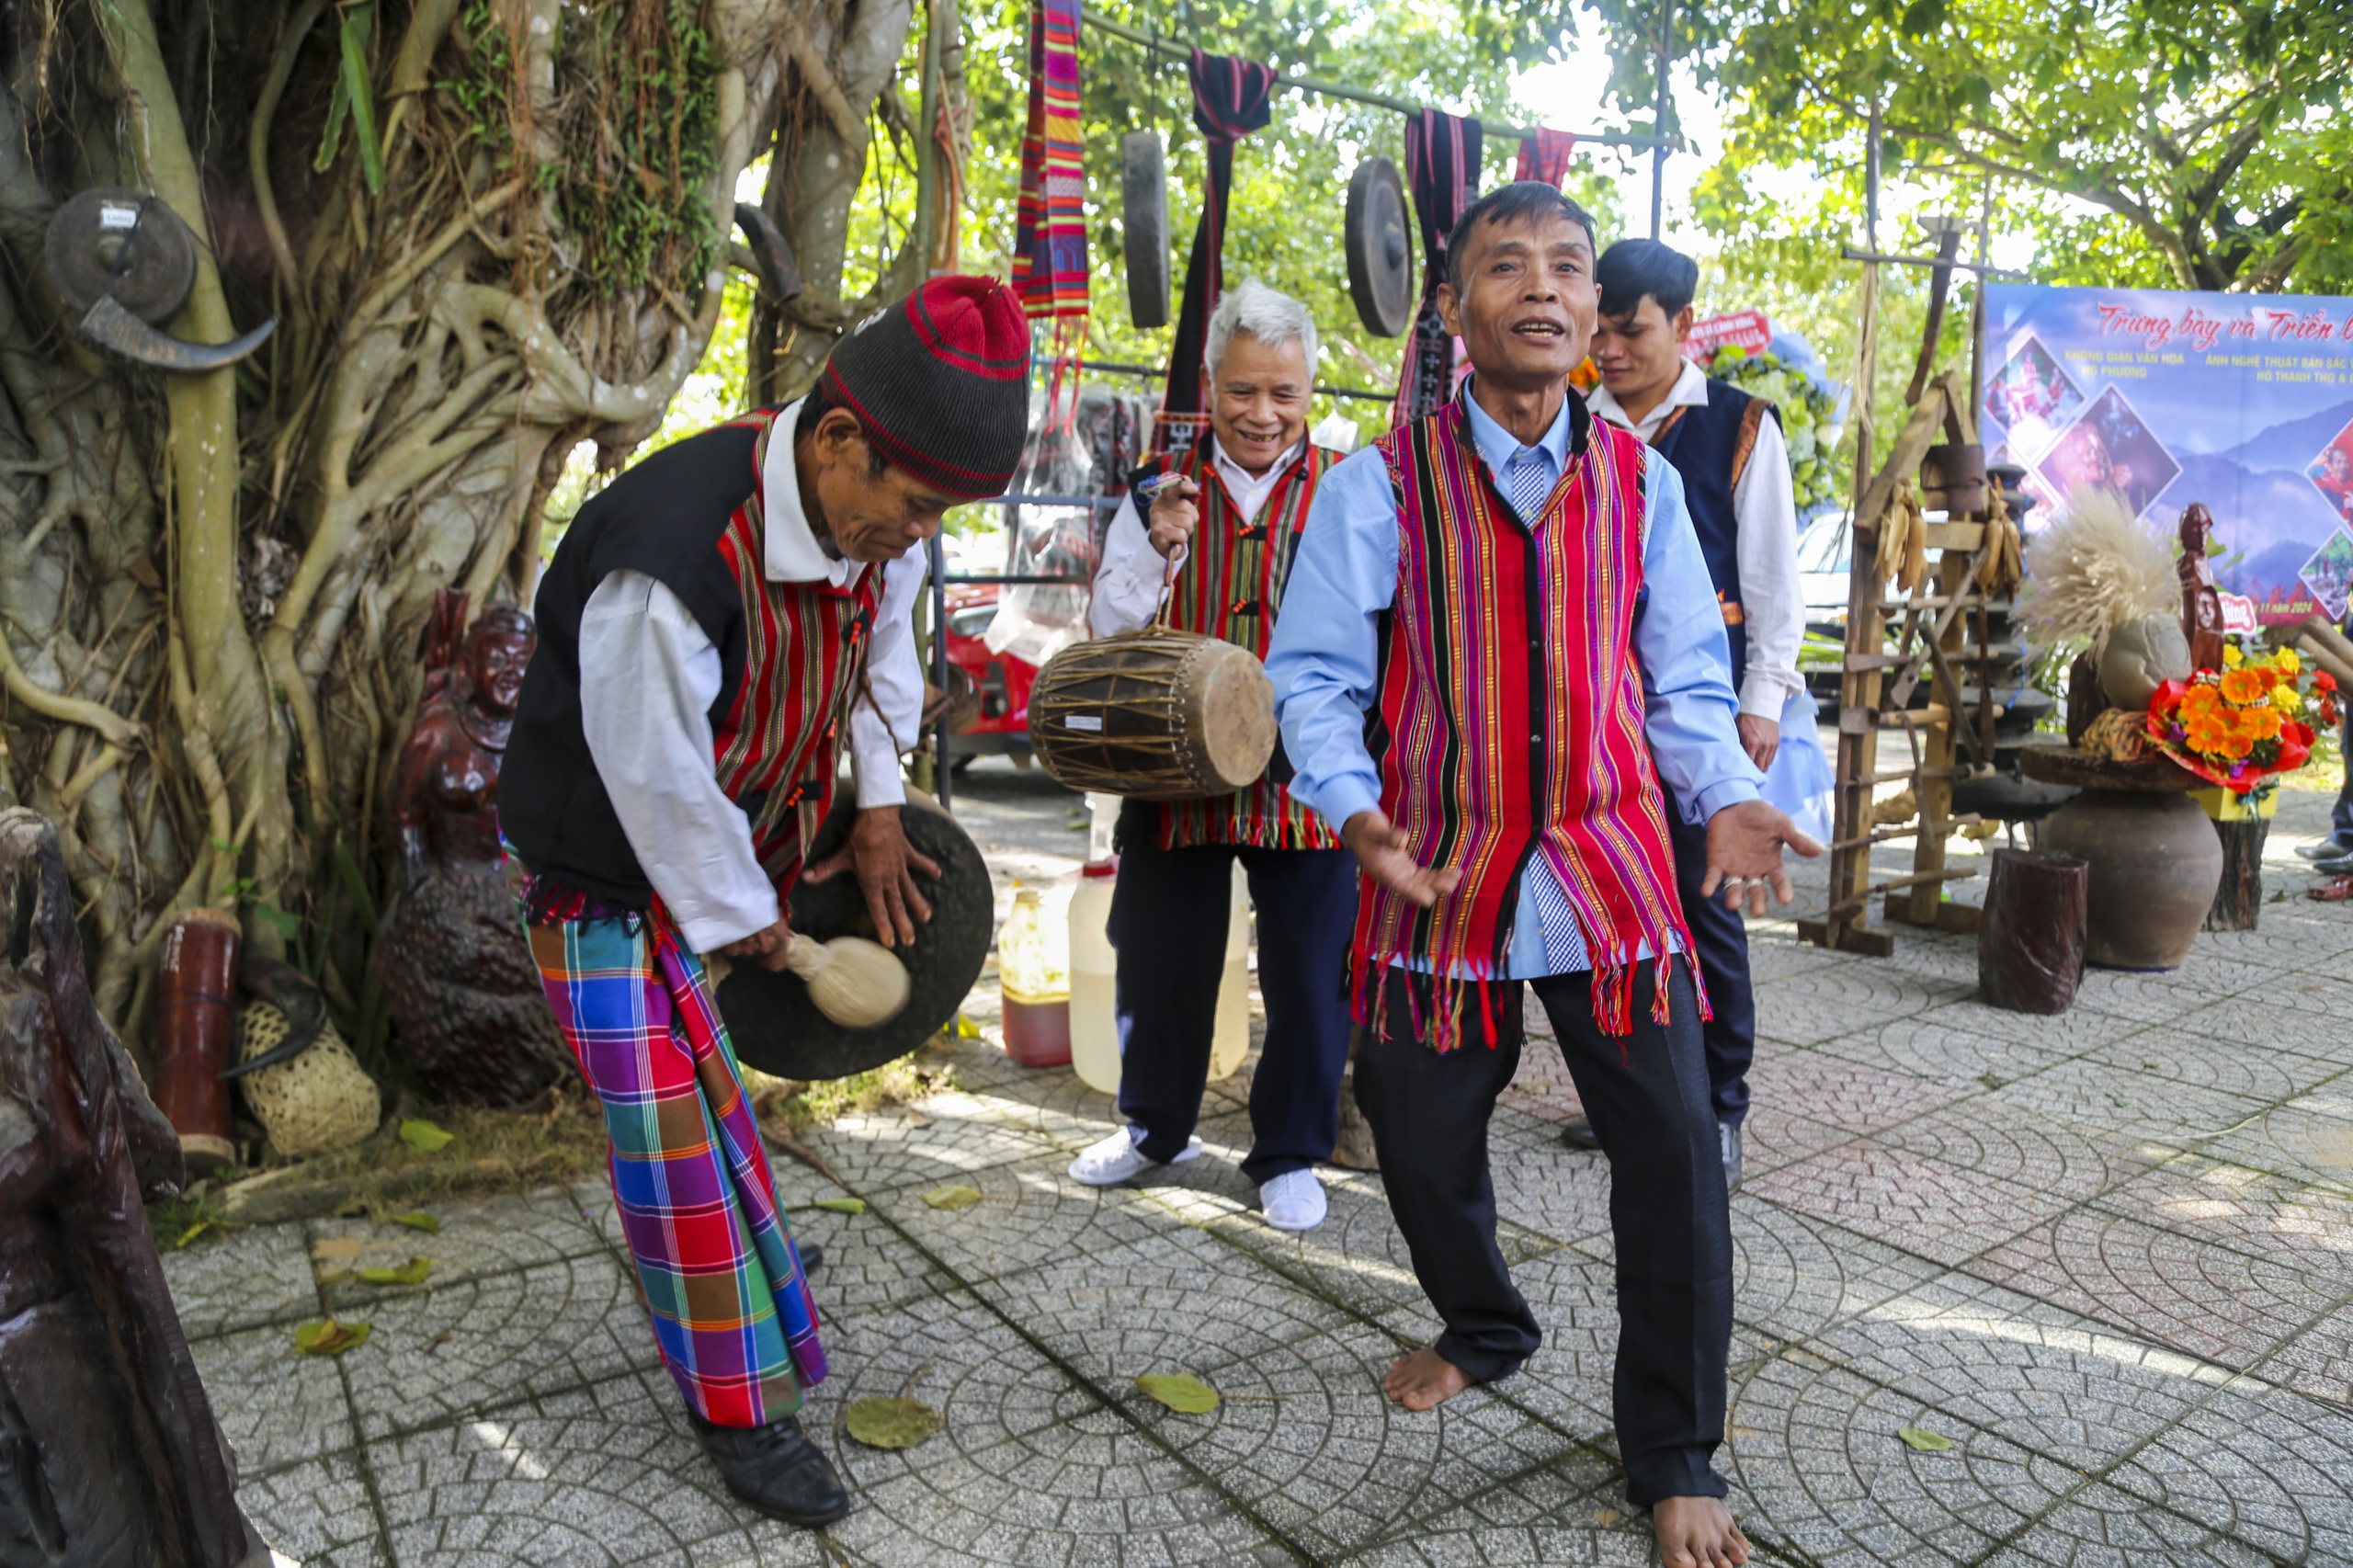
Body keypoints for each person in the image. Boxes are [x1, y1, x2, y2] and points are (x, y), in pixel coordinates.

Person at [1266, 181, 1820, 1568]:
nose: (1541, 287)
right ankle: (1484, 1324)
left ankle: (1675, 1446)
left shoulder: (1642, 481)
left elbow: (1688, 681)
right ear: (1455, 310)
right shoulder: (1375, 483)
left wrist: (1734, 798)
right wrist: (1348, 804)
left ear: (1590, 314)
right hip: (1434, 869)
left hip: (1613, 869)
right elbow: (1316, 679)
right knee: (1417, 1130)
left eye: (1566, 267)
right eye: (1504, 266)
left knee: (1677, 1155)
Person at [499, 276, 1031, 1528]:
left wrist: (882, 800)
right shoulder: (669, 553)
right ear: (838, 441)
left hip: (727, 851)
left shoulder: (871, 521)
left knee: (715, 1109)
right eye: (910, 510)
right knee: (672, 1145)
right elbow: (655, 775)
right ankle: (742, 1415)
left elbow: (876, 656)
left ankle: (751, 1301)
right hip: (607, 871)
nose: (913, 538)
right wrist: (773, 931)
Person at [1068, 278, 1356, 1233]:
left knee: (1312, 974)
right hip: (1172, 770)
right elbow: (1109, 624)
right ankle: (1155, 1129)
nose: (1262, 414)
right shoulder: (1158, 486)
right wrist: (1156, 545)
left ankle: (1288, 1151)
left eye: (1283, 392)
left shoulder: (1353, 488)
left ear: (1309, 387)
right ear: (1211, 380)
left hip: (1307, 772)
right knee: (1157, 960)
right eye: (1242, 391)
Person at [1570, 238, 1810, 1192]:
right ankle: (1631, 1099)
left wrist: (1761, 703)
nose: (1608, 351)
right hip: (1592, 704)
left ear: (1681, 325)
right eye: (1600, 331)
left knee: (1708, 905)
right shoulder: (1572, 419)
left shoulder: (1740, 427)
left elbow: (1772, 580)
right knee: (1607, 903)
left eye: (1628, 331)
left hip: (1701, 708)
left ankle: (1719, 1107)